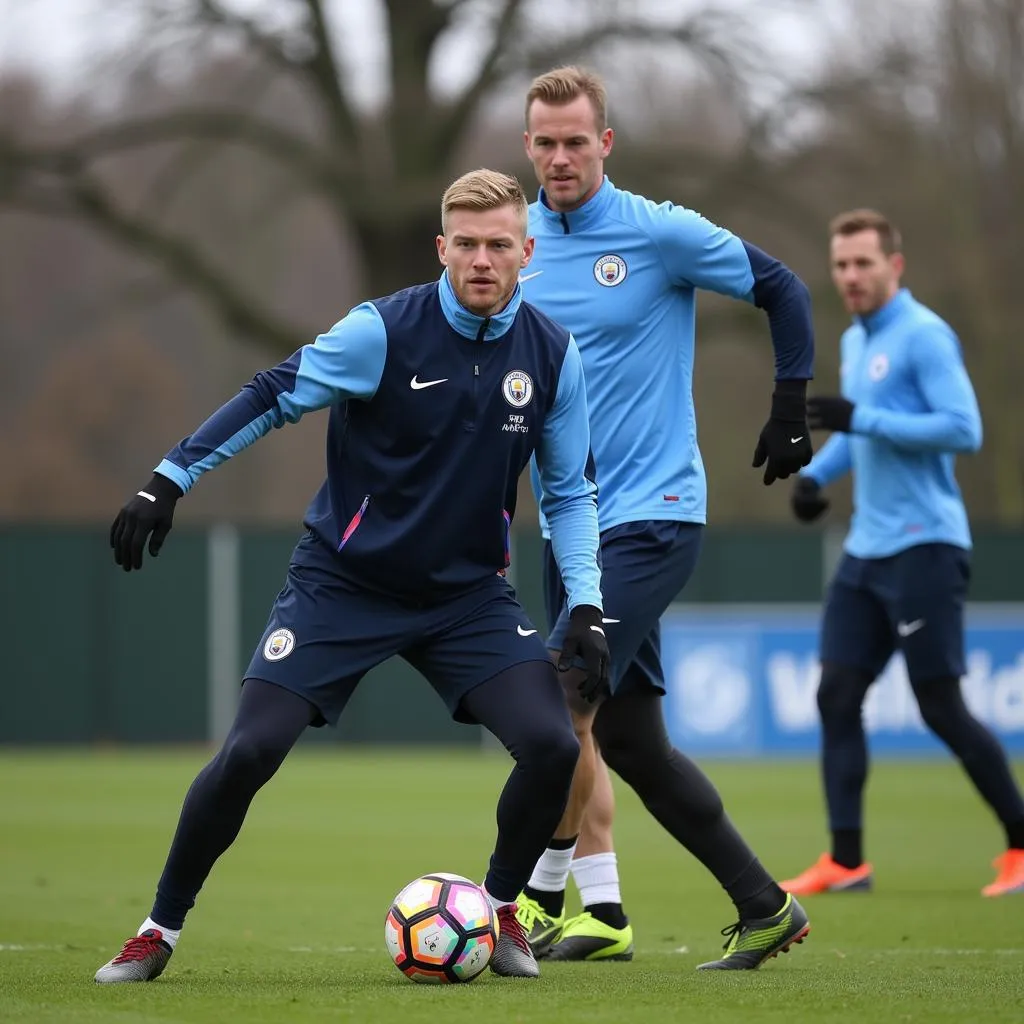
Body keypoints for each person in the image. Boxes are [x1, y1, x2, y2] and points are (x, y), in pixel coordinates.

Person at [94, 168, 613, 984]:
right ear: (443, 248)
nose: (483, 260)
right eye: (467, 245)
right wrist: (170, 477)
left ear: (527, 252)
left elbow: (570, 493)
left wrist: (586, 605)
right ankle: (156, 930)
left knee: (552, 745)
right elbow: (273, 394)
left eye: (500, 245)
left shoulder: (552, 354)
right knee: (248, 753)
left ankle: (502, 912)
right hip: (344, 583)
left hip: (467, 597)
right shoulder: (382, 332)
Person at [512, 65, 814, 970]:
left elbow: (784, 287)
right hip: (571, 531)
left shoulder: (658, 232)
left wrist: (790, 403)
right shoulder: (513, 244)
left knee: (556, 705)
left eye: (577, 141)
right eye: (545, 142)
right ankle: (767, 908)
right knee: (634, 744)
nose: (561, 157)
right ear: (527, 148)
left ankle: (528, 904)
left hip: (653, 515)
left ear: (606, 144)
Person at [781, 208, 1024, 898]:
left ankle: (1021, 842)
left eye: (864, 263)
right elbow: (860, 436)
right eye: (841, 265)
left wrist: (866, 418)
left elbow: (963, 429)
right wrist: (813, 480)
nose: (851, 276)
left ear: (896, 265)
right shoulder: (859, 343)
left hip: (926, 545)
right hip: (867, 550)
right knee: (835, 694)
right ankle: (848, 861)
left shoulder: (922, 336)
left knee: (940, 704)